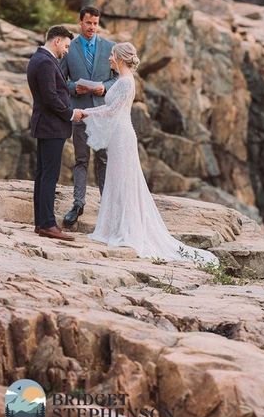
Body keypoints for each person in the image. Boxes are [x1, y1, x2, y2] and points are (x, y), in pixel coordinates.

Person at [81, 43, 220, 266]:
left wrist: (84, 113)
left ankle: (127, 230)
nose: (109, 58)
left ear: (120, 58)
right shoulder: (122, 81)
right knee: (118, 180)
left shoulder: (126, 82)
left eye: (112, 55)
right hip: (119, 135)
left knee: (125, 181)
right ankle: (117, 227)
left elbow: (112, 111)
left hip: (123, 136)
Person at [60, 6, 117, 228]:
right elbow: (60, 80)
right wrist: (75, 88)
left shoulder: (110, 47)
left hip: (103, 113)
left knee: (103, 160)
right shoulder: (70, 48)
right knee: (81, 160)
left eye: (95, 23)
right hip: (81, 112)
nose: (92, 27)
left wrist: (105, 87)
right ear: (80, 23)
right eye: (88, 23)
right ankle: (78, 204)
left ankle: (108, 204)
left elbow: (118, 79)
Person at [27, 25, 84, 242]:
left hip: (46, 125)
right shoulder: (44, 61)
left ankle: (41, 222)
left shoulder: (39, 59)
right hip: (51, 126)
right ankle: (48, 224)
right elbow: (51, 97)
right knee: (48, 175)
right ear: (57, 41)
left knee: (43, 175)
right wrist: (71, 114)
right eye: (67, 45)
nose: (67, 50)